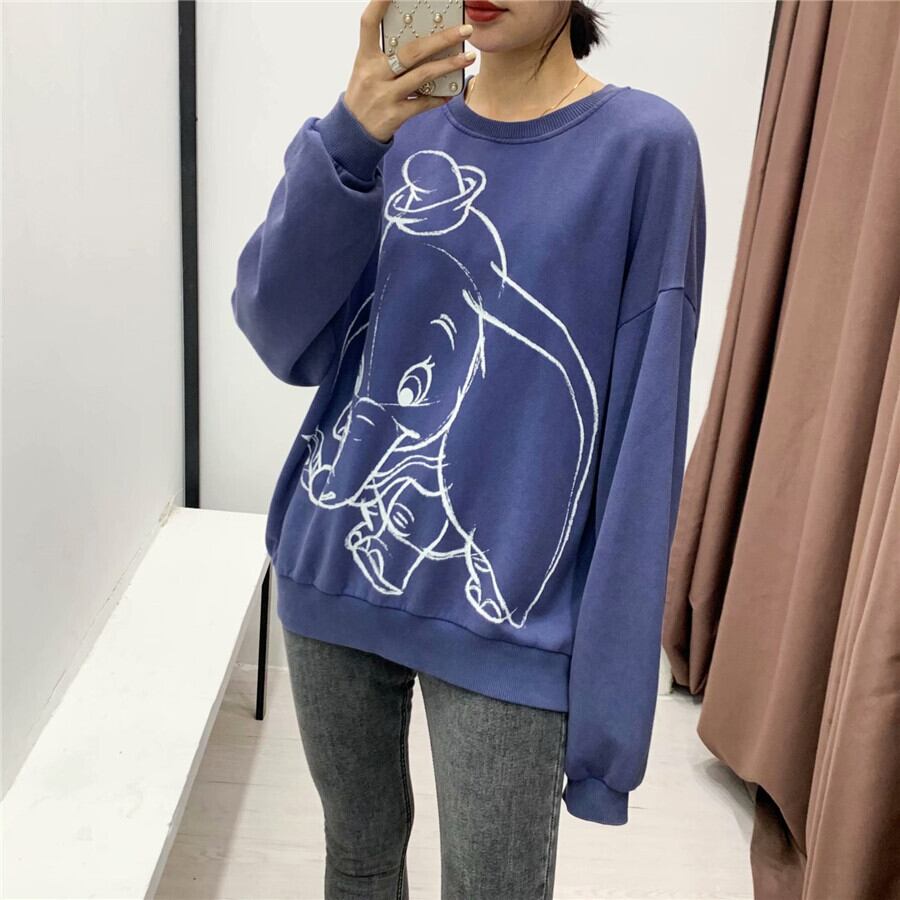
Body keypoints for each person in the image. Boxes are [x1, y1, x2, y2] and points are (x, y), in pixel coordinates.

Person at [231, 1, 706, 897]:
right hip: (333, 569)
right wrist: (348, 141)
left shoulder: (645, 148)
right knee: (358, 864)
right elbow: (277, 330)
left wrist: (609, 716)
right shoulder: (393, 127)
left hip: (509, 614)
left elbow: (644, 439)